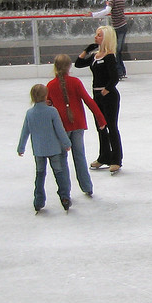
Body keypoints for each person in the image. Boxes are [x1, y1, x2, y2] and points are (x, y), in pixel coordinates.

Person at [47, 54, 106, 198]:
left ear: (55, 67)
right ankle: (87, 186)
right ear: (69, 67)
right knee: (79, 156)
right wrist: (101, 119)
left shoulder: (50, 86)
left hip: (61, 128)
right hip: (78, 124)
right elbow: (89, 101)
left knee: (62, 158)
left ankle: (65, 192)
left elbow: (47, 105)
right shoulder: (76, 82)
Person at [17, 84, 73, 213]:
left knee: (40, 174)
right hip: (54, 149)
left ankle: (38, 200)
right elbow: (59, 129)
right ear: (46, 96)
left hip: (39, 150)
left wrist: (21, 147)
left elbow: (25, 131)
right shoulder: (52, 111)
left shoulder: (30, 113)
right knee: (59, 173)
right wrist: (66, 143)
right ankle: (64, 197)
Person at [75, 26, 122, 175]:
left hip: (109, 96)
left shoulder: (109, 56)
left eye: (99, 35)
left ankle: (116, 159)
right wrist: (87, 50)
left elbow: (114, 78)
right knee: (100, 126)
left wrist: (105, 91)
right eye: (96, 35)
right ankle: (104, 156)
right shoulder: (96, 56)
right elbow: (78, 63)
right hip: (97, 96)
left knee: (111, 127)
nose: (96, 37)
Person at [91, 0, 128, 79]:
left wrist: (93, 14)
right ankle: (121, 71)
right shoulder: (121, 0)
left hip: (117, 27)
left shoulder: (113, 0)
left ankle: (119, 71)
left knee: (116, 50)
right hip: (123, 26)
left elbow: (107, 11)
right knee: (118, 50)